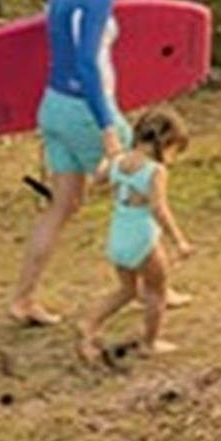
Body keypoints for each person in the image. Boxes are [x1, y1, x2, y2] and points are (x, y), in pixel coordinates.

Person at [7, 0, 188, 324]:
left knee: (63, 205)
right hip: (87, 109)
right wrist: (107, 125)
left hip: (53, 106)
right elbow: (87, 64)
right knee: (140, 190)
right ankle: (153, 287)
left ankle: (23, 299)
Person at [77, 107, 194, 362]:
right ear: (166, 142)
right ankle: (150, 343)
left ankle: (89, 324)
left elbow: (97, 179)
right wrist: (179, 240)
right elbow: (158, 208)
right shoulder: (155, 171)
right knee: (157, 292)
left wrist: (110, 154)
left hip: (118, 236)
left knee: (126, 290)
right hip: (142, 239)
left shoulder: (119, 161)